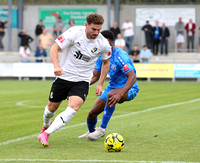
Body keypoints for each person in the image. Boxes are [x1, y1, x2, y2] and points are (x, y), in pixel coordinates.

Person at [36, 13, 111, 147]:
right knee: (50, 109)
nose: (96, 32)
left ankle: (46, 134)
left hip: (82, 80)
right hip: (64, 77)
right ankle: (46, 126)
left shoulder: (103, 43)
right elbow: (54, 47)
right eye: (94, 29)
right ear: (86, 25)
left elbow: (106, 63)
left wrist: (100, 84)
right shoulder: (74, 32)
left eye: (99, 29)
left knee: (73, 107)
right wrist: (56, 66)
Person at [78, 30, 139, 140]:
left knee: (111, 95)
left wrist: (120, 94)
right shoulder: (102, 56)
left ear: (110, 42)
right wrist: (80, 85)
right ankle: (92, 132)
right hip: (112, 87)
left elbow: (132, 77)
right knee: (92, 113)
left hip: (130, 88)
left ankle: (101, 129)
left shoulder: (121, 56)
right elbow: (95, 76)